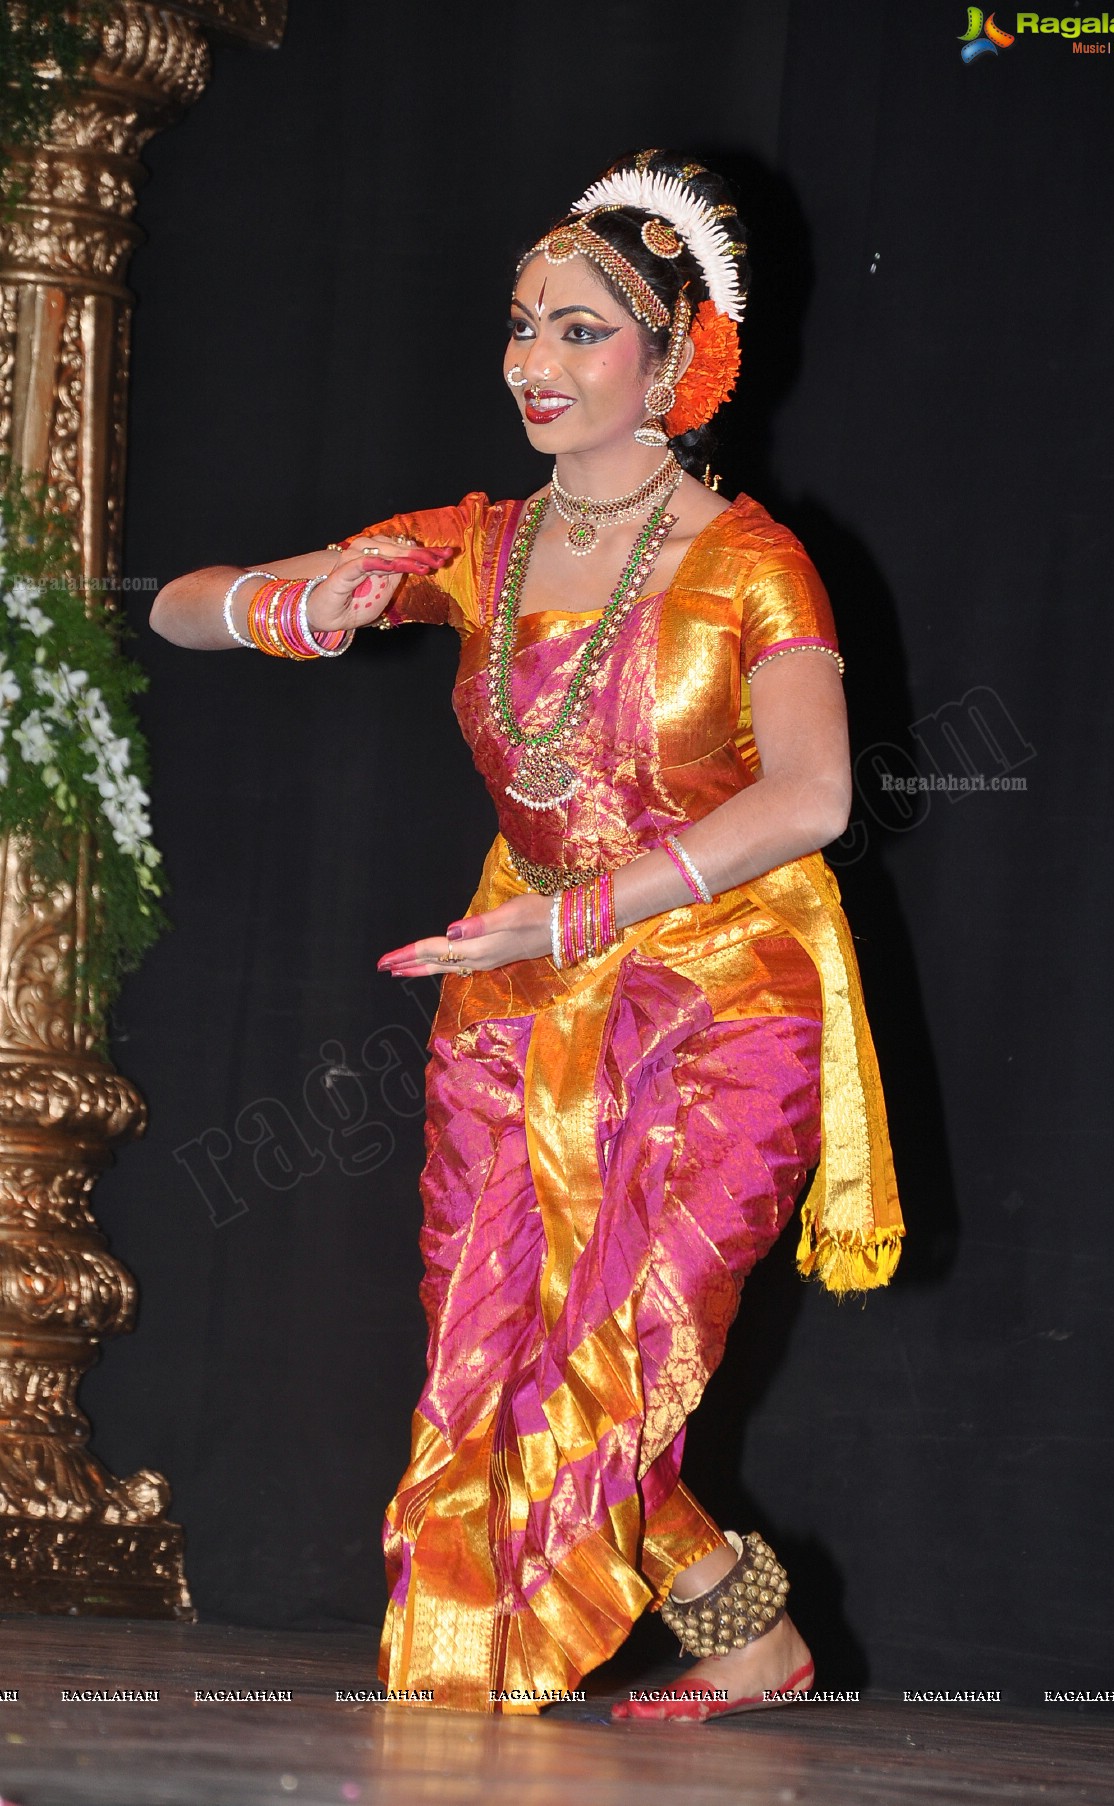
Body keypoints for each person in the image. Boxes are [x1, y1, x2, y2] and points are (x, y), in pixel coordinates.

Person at [151, 150, 903, 1723]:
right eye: (520, 327)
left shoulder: (753, 563)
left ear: (672, 355)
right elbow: (181, 603)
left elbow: (818, 796)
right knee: (492, 1369)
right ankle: (747, 1635)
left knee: (610, 1369)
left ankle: (506, 1693)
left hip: (721, 994)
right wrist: (293, 609)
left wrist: (583, 909)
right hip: (513, 1001)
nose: (532, 364)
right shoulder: (477, 544)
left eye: (577, 331)